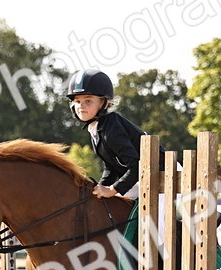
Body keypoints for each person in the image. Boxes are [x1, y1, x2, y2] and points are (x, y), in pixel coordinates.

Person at [66, 69, 157, 200]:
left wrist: (111, 190)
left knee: (155, 220)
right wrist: (99, 189)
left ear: (103, 103)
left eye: (88, 101)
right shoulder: (96, 128)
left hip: (163, 178)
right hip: (142, 180)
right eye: (77, 101)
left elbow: (137, 165)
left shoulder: (112, 127)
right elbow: (111, 168)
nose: (81, 106)